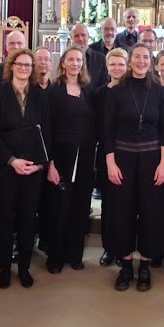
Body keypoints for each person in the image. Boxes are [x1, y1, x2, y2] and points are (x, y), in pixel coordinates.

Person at [103, 44, 164, 291]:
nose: (142, 61)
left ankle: (144, 264)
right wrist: (110, 163)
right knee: (123, 212)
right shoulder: (117, 91)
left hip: (153, 160)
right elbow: (107, 131)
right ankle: (124, 265)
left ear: (150, 62)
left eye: (145, 57)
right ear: (130, 61)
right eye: (137, 57)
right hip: (123, 159)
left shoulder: (160, 92)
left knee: (151, 212)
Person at [0, 48, 52, 289]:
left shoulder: (40, 96)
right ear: (11, 66)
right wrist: (11, 160)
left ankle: (23, 267)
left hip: (32, 170)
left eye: (28, 65)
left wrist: (40, 163)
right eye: (20, 64)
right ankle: (4, 267)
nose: (24, 68)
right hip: (6, 169)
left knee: (27, 219)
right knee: (4, 219)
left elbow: (47, 131)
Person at [44, 47, 97, 273]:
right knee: (58, 208)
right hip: (61, 156)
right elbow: (47, 128)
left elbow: (92, 124)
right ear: (63, 63)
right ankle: (55, 257)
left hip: (84, 157)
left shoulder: (87, 90)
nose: (75, 63)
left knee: (79, 206)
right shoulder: (54, 92)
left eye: (79, 60)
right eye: (71, 59)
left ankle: (74, 255)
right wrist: (50, 163)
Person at [95, 47, 129, 267]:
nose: (116, 68)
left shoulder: (131, 91)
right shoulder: (99, 93)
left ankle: (123, 246)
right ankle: (109, 247)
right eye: (113, 64)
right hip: (106, 152)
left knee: (125, 205)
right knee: (108, 202)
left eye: (121, 64)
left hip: (128, 153)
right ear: (107, 67)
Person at [69, 23, 107, 88]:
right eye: (76, 36)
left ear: (88, 36)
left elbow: (104, 84)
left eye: (83, 35)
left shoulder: (101, 59)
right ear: (71, 38)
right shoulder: (67, 58)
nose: (80, 39)